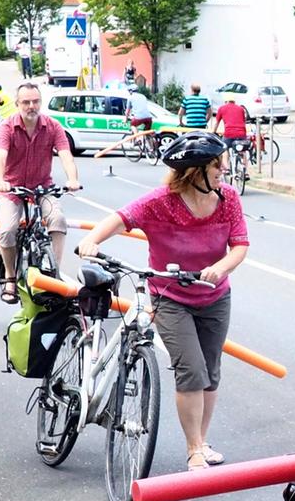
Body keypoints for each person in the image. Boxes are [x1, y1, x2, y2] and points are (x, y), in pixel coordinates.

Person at [76, 132, 248, 471]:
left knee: (210, 371)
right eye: (217, 165)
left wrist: (219, 267)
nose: (223, 170)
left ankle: (202, 439)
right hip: (171, 295)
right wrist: (91, 240)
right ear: (194, 172)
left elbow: (240, 245)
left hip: (215, 296)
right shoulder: (162, 201)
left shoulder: (227, 199)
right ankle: (194, 450)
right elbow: (121, 218)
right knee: (191, 369)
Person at [0, 82, 81, 304]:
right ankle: (10, 277)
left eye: (35, 101)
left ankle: (55, 274)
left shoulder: (52, 126)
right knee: (7, 231)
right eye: (26, 102)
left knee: (58, 219)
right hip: (12, 189)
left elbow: (66, 155)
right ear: (17, 104)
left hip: (42, 187)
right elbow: (0, 157)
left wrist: (72, 179)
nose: (31, 106)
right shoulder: (7, 127)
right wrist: (0, 180)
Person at [211, 94, 249, 174]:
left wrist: (213, 132)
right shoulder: (241, 108)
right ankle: (246, 172)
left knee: (224, 148)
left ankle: (227, 168)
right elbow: (243, 121)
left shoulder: (222, 108)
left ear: (226, 101)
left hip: (229, 133)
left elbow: (217, 123)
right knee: (242, 151)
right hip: (241, 133)